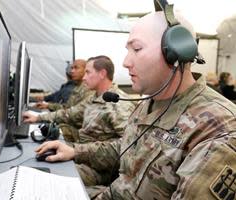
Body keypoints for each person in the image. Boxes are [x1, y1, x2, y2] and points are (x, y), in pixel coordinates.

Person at [34, 8, 236, 200]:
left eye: (137, 49)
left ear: (176, 52)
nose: (125, 62)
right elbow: (127, 147)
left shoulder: (219, 129)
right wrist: (75, 151)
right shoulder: (149, 102)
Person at [23, 55, 135, 143]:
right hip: (83, 151)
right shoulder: (94, 97)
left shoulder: (119, 104)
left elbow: (127, 145)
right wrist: (38, 117)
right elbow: (70, 113)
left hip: (95, 165)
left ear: (102, 74)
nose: (84, 77)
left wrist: (76, 152)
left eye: (88, 72)